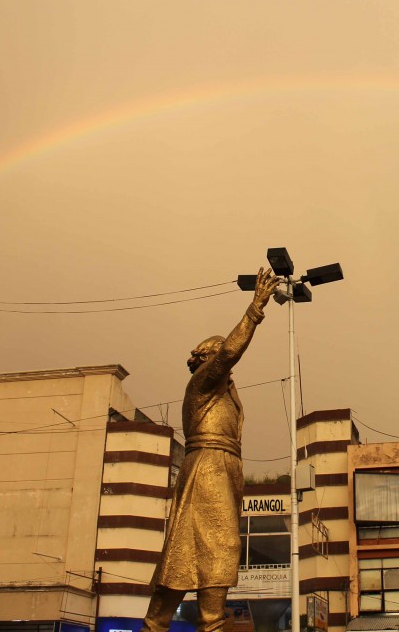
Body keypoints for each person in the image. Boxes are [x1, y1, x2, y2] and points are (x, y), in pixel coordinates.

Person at [142, 267, 280, 632]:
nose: (228, 364)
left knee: (193, 556)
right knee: (220, 546)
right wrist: (255, 309)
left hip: (224, 468)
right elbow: (230, 352)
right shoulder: (202, 382)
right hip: (207, 466)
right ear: (206, 357)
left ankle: (174, 622)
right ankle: (206, 622)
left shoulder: (225, 393)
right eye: (220, 356)